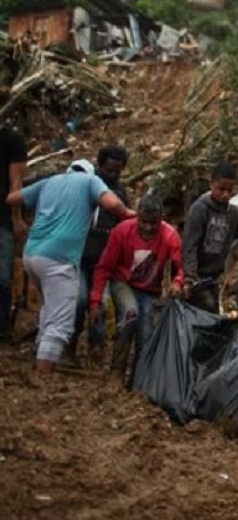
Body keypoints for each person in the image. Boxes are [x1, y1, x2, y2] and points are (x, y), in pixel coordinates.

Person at [7, 160, 133, 373]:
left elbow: (12, 198)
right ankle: (44, 373)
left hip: (32, 255)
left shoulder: (50, 181)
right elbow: (112, 204)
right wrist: (131, 215)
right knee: (60, 322)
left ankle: (41, 359)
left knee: (50, 310)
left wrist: (24, 212)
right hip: (59, 259)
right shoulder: (91, 181)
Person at [89, 193, 183, 372]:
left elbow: (182, 266)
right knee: (130, 314)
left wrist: (177, 282)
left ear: (161, 219)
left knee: (146, 333)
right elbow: (104, 267)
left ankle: (139, 379)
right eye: (143, 222)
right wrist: (95, 300)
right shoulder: (122, 231)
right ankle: (117, 371)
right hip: (123, 283)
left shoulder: (170, 236)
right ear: (137, 216)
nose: (148, 228)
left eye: (153, 223)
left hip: (150, 291)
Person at [72, 144, 130, 364]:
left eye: (117, 171)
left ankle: (96, 350)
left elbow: (123, 225)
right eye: (108, 170)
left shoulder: (120, 193)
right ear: (99, 165)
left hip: (104, 259)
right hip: (79, 253)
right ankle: (71, 341)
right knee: (78, 300)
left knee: (102, 304)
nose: (112, 175)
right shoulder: (86, 184)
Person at [181, 163, 238, 313]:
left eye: (229, 190)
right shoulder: (200, 209)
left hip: (214, 276)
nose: (225, 194)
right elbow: (190, 245)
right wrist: (189, 278)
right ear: (211, 184)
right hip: (197, 276)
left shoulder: (234, 214)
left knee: (211, 313)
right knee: (207, 309)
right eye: (221, 189)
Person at [0, 125, 27, 341]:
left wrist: (16, 218)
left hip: (2, 219)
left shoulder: (12, 140)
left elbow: (16, 182)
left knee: (3, 277)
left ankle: (3, 325)